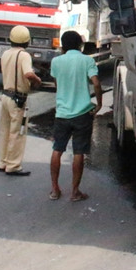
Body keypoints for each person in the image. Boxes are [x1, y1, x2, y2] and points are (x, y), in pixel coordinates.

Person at [48, 30, 102, 201]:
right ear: (80, 45)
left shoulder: (56, 61)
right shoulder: (87, 60)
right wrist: (99, 104)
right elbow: (96, 83)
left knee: (57, 149)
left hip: (62, 113)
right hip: (82, 113)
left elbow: (57, 84)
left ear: (63, 45)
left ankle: (55, 190)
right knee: (79, 152)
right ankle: (75, 192)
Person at [0, 25, 41, 176]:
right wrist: (37, 80)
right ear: (26, 41)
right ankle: (13, 165)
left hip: (5, 96)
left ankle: (3, 162)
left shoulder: (5, 54)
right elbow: (28, 74)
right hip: (17, 99)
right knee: (17, 133)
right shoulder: (24, 55)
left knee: (5, 130)